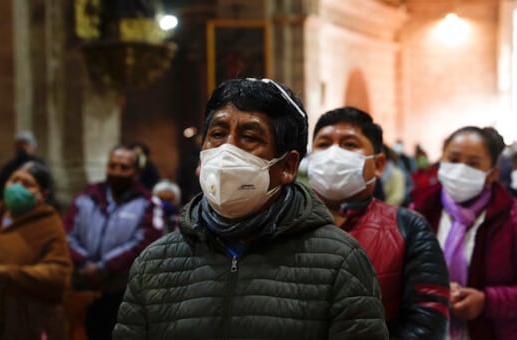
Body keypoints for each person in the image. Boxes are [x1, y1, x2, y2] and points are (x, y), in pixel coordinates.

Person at [113, 78, 388, 339]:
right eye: (218, 134)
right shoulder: (155, 263)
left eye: (249, 137)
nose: (227, 150)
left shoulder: (339, 261)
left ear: (288, 166)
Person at [307, 106, 450, 339]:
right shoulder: (283, 223)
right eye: (323, 145)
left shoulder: (409, 227)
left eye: (349, 145)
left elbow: (428, 318)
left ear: (379, 164)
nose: (333, 154)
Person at [410, 126, 517, 340]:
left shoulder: (511, 218)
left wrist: (486, 301)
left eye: (473, 164)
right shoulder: (419, 212)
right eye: (453, 159)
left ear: (492, 173)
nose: (460, 170)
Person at [64, 144, 165, 340]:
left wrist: (105, 267)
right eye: (113, 166)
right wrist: (85, 264)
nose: (117, 172)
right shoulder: (86, 198)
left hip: (124, 292)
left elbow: (146, 241)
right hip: (85, 286)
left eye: (124, 167)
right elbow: (67, 234)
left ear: (136, 173)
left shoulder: (148, 203)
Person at [0, 161, 72, 339]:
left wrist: (3, 273)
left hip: (26, 319)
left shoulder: (48, 225)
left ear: (43, 194)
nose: (17, 188)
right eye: (14, 181)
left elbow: (57, 274)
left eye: (27, 184)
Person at [0, 131, 45, 205]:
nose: (22, 148)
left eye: (25, 144)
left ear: (33, 147)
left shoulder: (41, 167)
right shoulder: (9, 167)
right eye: (19, 145)